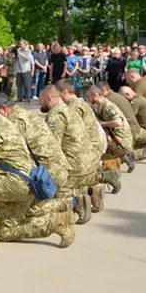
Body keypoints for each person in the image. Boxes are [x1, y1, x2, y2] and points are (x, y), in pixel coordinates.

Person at [0, 90, 74, 247]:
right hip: (26, 181)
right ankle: (55, 223)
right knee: (4, 232)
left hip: (14, 183)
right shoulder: (1, 119)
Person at [38, 85, 103, 225]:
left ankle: (76, 201)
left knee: (43, 198)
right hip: (89, 163)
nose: (39, 103)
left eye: (40, 99)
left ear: (48, 98)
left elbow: (52, 148)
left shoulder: (55, 115)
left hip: (75, 168)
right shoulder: (69, 109)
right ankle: (85, 189)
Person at [120, 86, 146, 164]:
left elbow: (130, 116)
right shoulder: (139, 98)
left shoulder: (135, 102)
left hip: (145, 129)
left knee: (129, 144)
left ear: (127, 94)